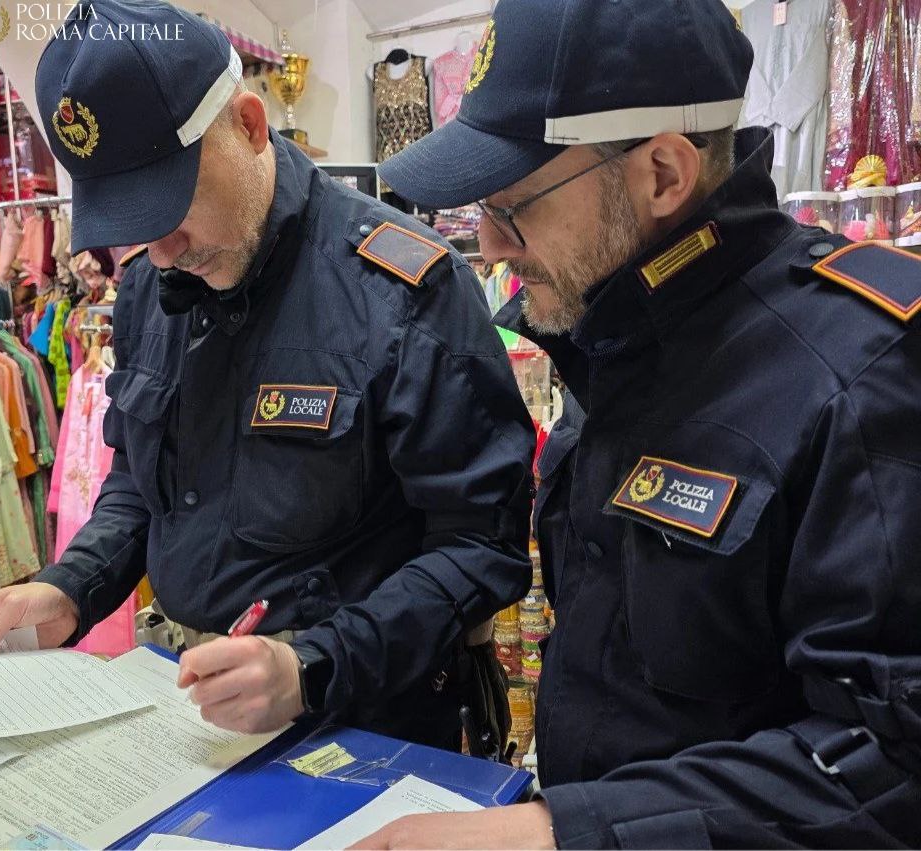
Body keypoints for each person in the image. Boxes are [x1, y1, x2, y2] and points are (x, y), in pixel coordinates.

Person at [364, 0, 921, 846]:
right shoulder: (610, 332)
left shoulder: (863, 373)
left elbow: (892, 761)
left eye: (512, 208)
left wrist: (561, 832)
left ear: (662, 173)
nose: (490, 247)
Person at [0, 0, 535, 753]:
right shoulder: (149, 288)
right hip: (186, 709)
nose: (160, 250)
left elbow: (480, 547)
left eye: (168, 205)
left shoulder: (404, 290)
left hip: (366, 723)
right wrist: (71, 586)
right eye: (132, 221)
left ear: (250, 124)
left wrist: (312, 666)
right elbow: (139, 481)